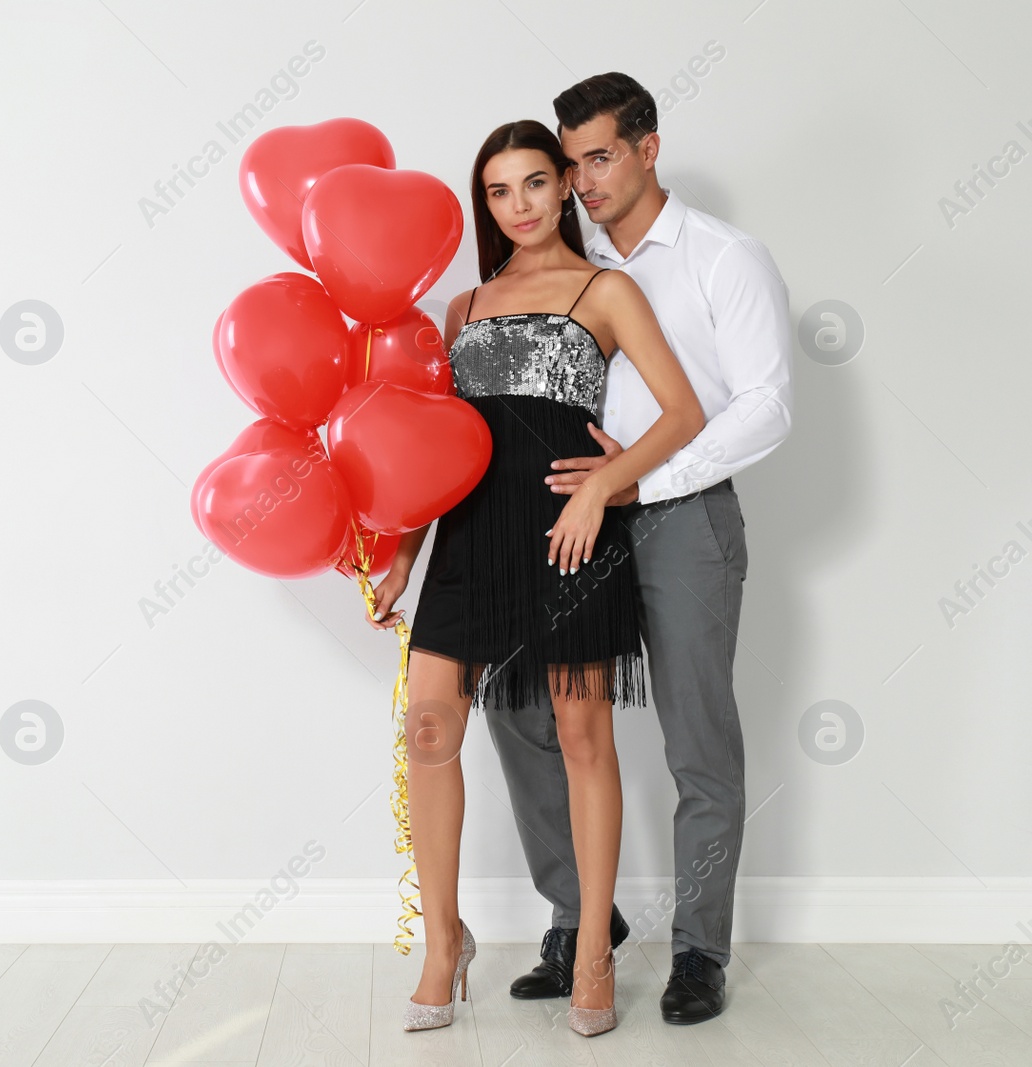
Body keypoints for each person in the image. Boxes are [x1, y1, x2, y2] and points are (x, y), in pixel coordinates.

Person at [367, 118, 705, 1038]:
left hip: (567, 537)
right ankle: (445, 943)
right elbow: (442, 448)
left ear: (563, 187)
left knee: (582, 734)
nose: (517, 205)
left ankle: (592, 949)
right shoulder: (463, 307)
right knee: (429, 724)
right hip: (470, 536)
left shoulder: (606, 287)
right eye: (497, 191)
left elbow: (683, 411)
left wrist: (606, 482)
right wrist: (402, 552)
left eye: (533, 184)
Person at [488, 72, 793, 1025]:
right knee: (523, 709)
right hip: (559, 519)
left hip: (679, 513)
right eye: (569, 163)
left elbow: (769, 405)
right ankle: (582, 915)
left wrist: (633, 482)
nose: (581, 180)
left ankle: (699, 948)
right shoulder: (564, 258)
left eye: (600, 156)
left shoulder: (721, 257)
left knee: (697, 737)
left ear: (649, 147)